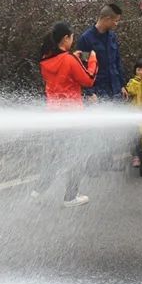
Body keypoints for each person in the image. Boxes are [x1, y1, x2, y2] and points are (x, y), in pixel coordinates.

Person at [38, 21, 98, 207]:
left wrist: (75, 58)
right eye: (72, 37)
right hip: (72, 116)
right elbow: (88, 80)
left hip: (54, 115)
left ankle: (37, 192)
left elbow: (64, 73)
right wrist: (93, 60)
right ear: (66, 38)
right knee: (76, 156)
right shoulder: (69, 60)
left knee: (55, 156)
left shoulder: (45, 59)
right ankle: (71, 197)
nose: (73, 40)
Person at [77, 2, 126, 101]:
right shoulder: (86, 39)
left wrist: (121, 85)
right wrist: (89, 92)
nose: (116, 24)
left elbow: (117, 61)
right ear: (107, 19)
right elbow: (83, 67)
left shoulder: (112, 37)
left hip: (115, 89)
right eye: (115, 21)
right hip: (98, 91)